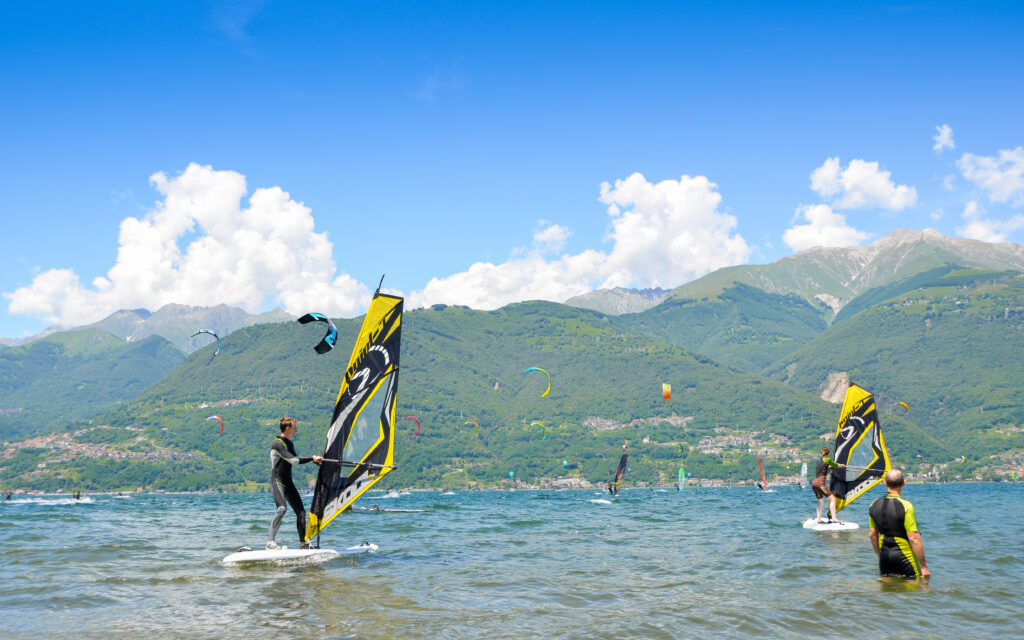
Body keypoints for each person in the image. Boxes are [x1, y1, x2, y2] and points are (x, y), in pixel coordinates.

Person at [267, 417, 322, 550]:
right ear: (287, 428)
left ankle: (303, 544)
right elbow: (294, 460)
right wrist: (312, 458)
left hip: (288, 482)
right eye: (294, 428)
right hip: (278, 481)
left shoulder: (290, 444)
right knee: (282, 509)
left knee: (301, 512)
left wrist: (315, 461)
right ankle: (270, 543)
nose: (296, 431)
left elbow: (296, 459)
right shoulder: (278, 444)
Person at [868, 469, 930, 580]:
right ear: (904, 482)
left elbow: (872, 535)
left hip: (885, 556)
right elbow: (914, 538)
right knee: (916, 586)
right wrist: (924, 566)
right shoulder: (906, 505)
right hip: (904, 556)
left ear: (885, 483)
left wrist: (880, 555)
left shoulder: (874, 505)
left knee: (887, 587)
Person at [811, 446, 846, 523]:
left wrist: (830, 467)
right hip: (820, 484)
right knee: (833, 499)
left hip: (814, 483)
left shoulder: (820, 461)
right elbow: (836, 465)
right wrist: (842, 465)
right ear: (828, 453)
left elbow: (827, 466)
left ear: (821, 452)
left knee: (822, 501)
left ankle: (819, 519)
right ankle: (834, 518)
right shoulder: (828, 459)